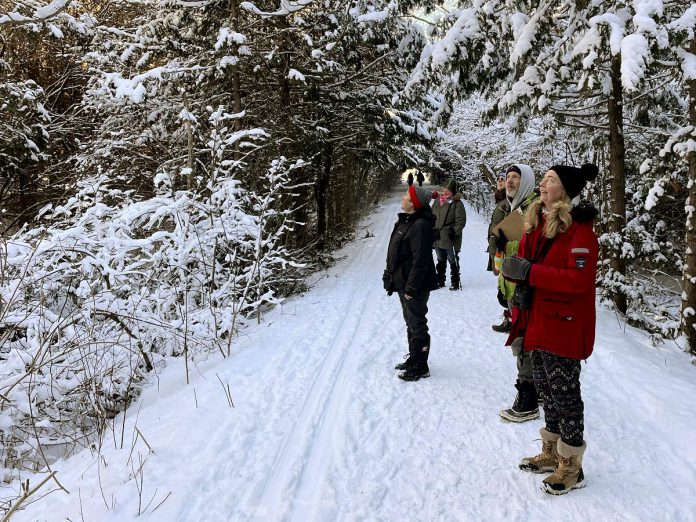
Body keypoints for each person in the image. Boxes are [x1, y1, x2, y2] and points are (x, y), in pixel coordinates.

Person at [501, 163, 599, 495]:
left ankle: (572, 466)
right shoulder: (537, 224)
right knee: (546, 391)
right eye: (543, 179)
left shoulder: (580, 231)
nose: (542, 184)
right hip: (539, 322)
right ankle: (552, 453)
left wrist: (531, 273)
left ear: (565, 191)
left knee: (565, 395)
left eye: (550, 180)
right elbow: (529, 267)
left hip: (564, 327)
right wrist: (515, 272)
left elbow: (579, 280)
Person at [491, 164, 539, 423]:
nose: (510, 182)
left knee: (524, 339)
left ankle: (528, 396)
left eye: (516, 178)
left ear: (527, 181)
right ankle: (535, 389)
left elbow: (529, 248)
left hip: (526, 285)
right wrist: (502, 287)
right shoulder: (514, 207)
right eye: (507, 178)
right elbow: (508, 255)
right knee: (522, 337)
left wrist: (506, 242)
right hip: (513, 284)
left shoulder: (533, 209)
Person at [383, 185, 439, 381]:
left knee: (417, 323)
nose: (403, 197)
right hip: (403, 282)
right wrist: (388, 274)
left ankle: (421, 365)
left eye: (407, 195)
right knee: (410, 322)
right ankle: (414, 358)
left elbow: (421, 259)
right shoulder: (407, 221)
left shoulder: (420, 225)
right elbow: (396, 252)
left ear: (414, 204)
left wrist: (412, 287)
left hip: (414, 285)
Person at [432, 179, 466, 290]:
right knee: (440, 258)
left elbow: (460, 221)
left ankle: (455, 282)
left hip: (449, 236)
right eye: (443, 191)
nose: (444, 193)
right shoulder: (437, 202)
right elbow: (432, 216)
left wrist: (454, 231)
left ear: (452, 192)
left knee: (452, 259)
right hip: (437, 236)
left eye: (447, 191)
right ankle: (440, 281)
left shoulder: (457, 204)